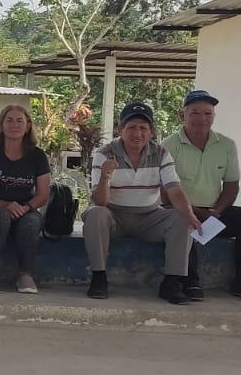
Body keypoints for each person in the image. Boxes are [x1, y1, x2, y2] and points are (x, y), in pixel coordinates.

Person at [83, 101, 200, 304]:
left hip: (149, 217)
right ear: (120, 129)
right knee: (95, 214)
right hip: (114, 216)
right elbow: (101, 201)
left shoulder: (161, 153)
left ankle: (172, 282)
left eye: (143, 128)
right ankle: (99, 277)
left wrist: (190, 214)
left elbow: (174, 189)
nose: (137, 134)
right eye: (131, 127)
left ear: (151, 131)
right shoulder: (104, 153)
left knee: (182, 219)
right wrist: (105, 177)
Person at [160, 89, 241, 302]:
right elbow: (165, 193)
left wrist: (216, 211)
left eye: (208, 114)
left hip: (215, 211)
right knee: (180, 221)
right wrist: (194, 212)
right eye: (195, 112)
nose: (202, 119)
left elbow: (231, 185)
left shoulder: (226, 145)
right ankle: (189, 281)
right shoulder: (168, 146)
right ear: (182, 115)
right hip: (180, 209)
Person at [0, 103, 52, 295]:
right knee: (0, 215)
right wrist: (5, 205)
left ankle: (25, 275)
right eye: (9, 120)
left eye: (20, 121)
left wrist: (25, 208)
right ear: (1, 125)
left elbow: (43, 194)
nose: (14, 125)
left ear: (27, 126)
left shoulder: (37, 156)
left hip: (24, 211)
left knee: (32, 222)